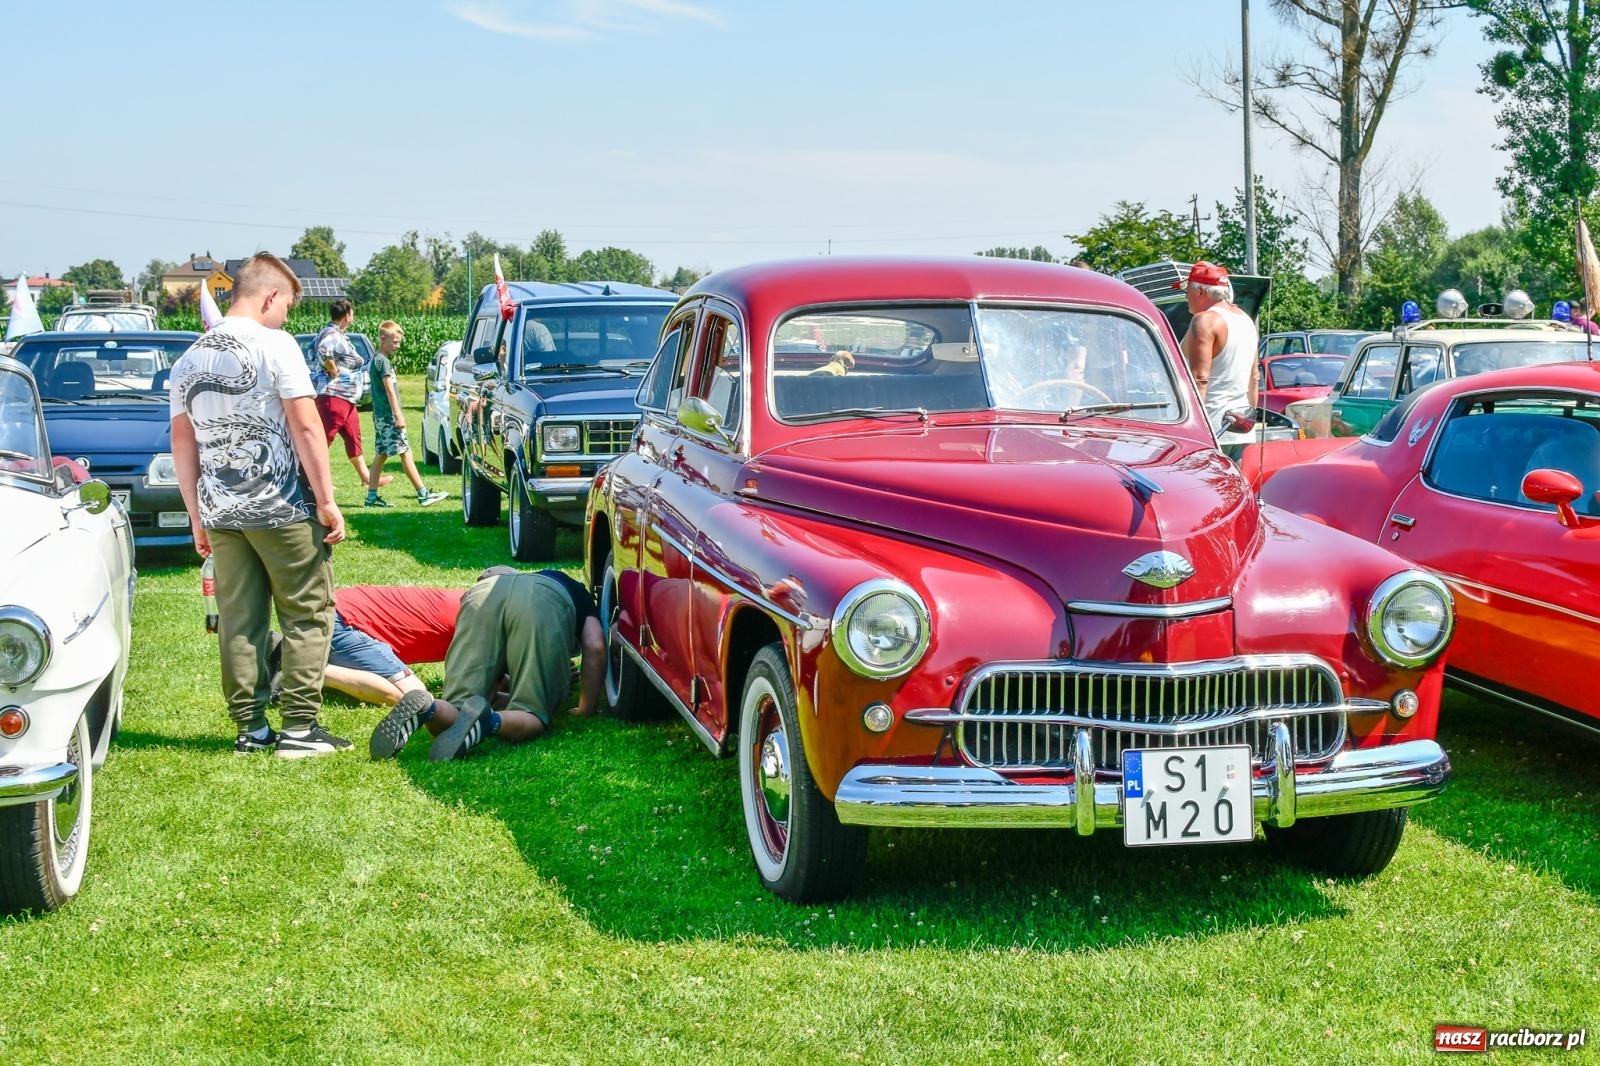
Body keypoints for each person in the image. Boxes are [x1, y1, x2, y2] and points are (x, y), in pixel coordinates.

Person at [168, 252, 351, 757]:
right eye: (287, 305)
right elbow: (306, 425)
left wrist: (196, 515)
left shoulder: (189, 358)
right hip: (282, 506)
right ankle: (299, 728)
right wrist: (328, 500)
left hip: (221, 510)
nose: (287, 316)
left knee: (239, 619)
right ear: (270, 296)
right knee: (307, 613)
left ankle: (250, 728)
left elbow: (182, 442)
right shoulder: (276, 345)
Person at [369, 569, 606, 762]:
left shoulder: (500, 583)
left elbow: (491, 682)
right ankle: (488, 723)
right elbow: (595, 645)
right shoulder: (575, 589)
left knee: (458, 706)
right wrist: (586, 709)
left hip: (483, 595)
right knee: (531, 713)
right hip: (543, 599)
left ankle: (428, 708)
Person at [365, 320, 449, 508]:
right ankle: (423, 494)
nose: (397, 346)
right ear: (383, 339)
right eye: (395, 342)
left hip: (380, 416)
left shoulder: (377, 360)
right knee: (405, 452)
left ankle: (371, 497)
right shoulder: (383, 362)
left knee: (381, 453)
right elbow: (389, 390)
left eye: (399, 342)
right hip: (389, 417)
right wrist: (398, 415)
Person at [310, 298, 390, 490]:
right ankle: (311, 481)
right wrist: (333, 370)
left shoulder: (337, 333)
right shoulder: (332, 334)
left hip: (346, 397)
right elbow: (324, 351)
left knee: (353, 436)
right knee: (324, 439)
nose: (353, 316)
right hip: (334, 395)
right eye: (352, 313)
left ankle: (367, 478)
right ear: (347, 315)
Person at [1176, 261, 1259, 434]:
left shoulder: (1204, 320)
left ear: (1200, 291)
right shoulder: (1246, 319)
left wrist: (1194, 428)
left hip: (1212, 426)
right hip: (1241, 425)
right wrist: (1249, 420)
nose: (1186, 297)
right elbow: (1254, 376)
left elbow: (1200, 378)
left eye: (1187, 290)